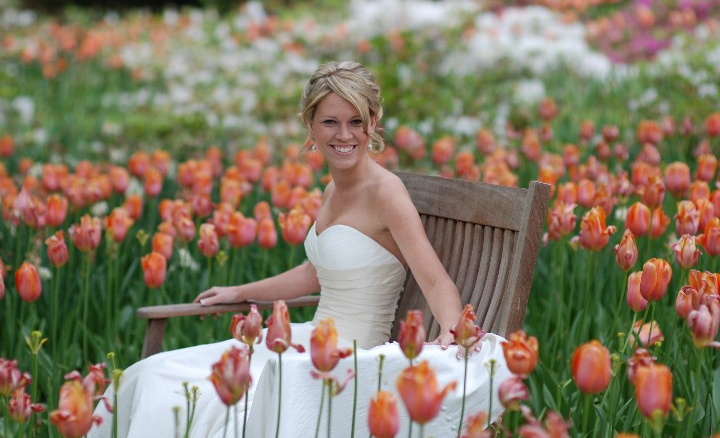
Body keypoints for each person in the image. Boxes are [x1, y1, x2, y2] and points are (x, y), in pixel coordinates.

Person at [90, 61, 510, 437]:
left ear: (374, 122)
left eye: (356, 121)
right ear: (309, 125)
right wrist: (239, 292)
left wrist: (452, 339)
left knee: (224, 398)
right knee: (152, 375)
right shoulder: (333, 188)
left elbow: (434, 279)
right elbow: (315, 273)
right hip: (305, 341)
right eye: (330, 122)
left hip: (345, 360)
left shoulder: (386, 192)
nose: (344, 135)